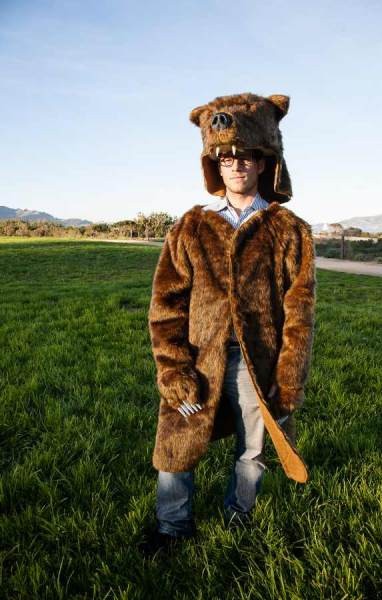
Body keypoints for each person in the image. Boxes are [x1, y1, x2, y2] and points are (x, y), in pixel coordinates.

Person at [140, 93, 316, 557]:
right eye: (226, 158)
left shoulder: (288, 229)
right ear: (214, 166)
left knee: (252, 450)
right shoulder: (190, 228)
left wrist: (288, 378)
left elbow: (299, 312)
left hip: (257, 363)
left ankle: (239, 522)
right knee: (176, 444)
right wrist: (174, 369)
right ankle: (172, 528)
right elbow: (166, 306)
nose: (236, 165)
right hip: (199, 359)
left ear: (263, 162)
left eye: (246, 156)